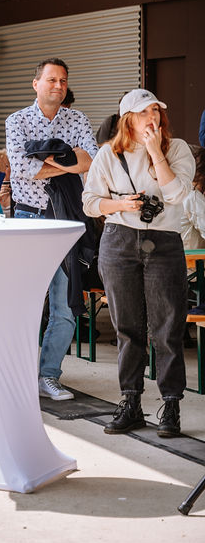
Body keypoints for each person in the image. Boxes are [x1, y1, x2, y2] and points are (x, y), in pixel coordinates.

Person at [82, 89, 193, 437]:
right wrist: (119, 206)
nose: (153, 118)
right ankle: (130, 402)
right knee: (127, 329)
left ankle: (171, 406)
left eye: (157, 111)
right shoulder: (107, 154)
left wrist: (155, 151)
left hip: (163, 242)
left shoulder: (177, 149)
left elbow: (177, 195)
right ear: (128, 118)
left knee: (168, 327)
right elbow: (89, 202)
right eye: (146, 113)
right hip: (118, 241)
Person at [5, 57, 98, 402]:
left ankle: (48, 375)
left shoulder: (78, 119)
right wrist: (66, 162)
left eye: (62, 80)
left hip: (67, 221)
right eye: (51, 80)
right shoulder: (18, 121)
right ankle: (18, 373)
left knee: (64, 304)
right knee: (27, 302)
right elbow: (20, 169)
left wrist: (43, 159)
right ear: (36, 84)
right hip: (30, 218)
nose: (57, 86)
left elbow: (91, 160)